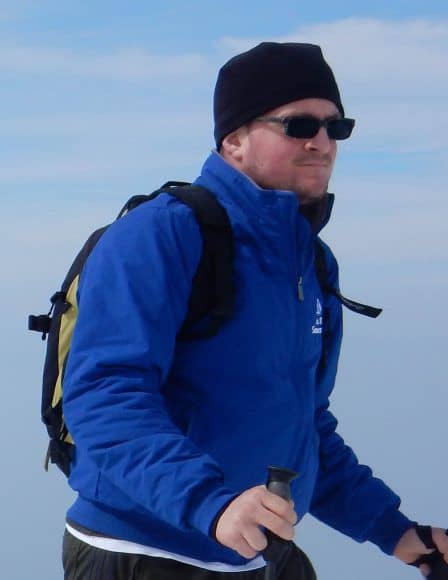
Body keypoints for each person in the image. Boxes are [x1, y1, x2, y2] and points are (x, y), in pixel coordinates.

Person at [61, 42, 447, 580]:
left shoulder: (311, 261)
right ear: (234, 140)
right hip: (143, 549)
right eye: (298, 125)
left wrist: (394, 531)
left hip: (251, 549)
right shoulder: (161, 235)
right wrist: (210, 504)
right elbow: (105, 395)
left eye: (336, 127)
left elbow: (302, 426)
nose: (321, 142)